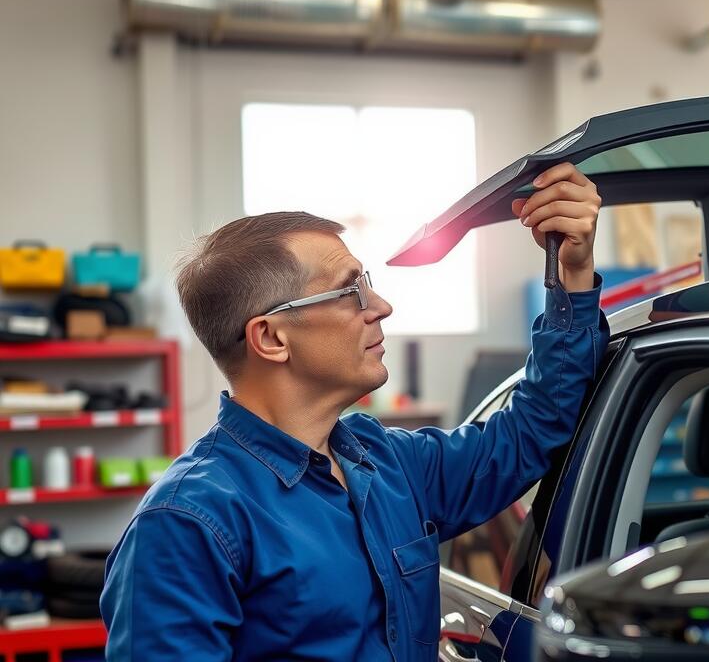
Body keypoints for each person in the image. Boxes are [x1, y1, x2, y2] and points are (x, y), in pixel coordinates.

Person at [100, 163, 607, 661]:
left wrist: (572, 274)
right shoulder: (188, 523)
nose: (380, 305)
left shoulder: (386, 462)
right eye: (351, 291)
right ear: (272, 338)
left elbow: (527, 433)